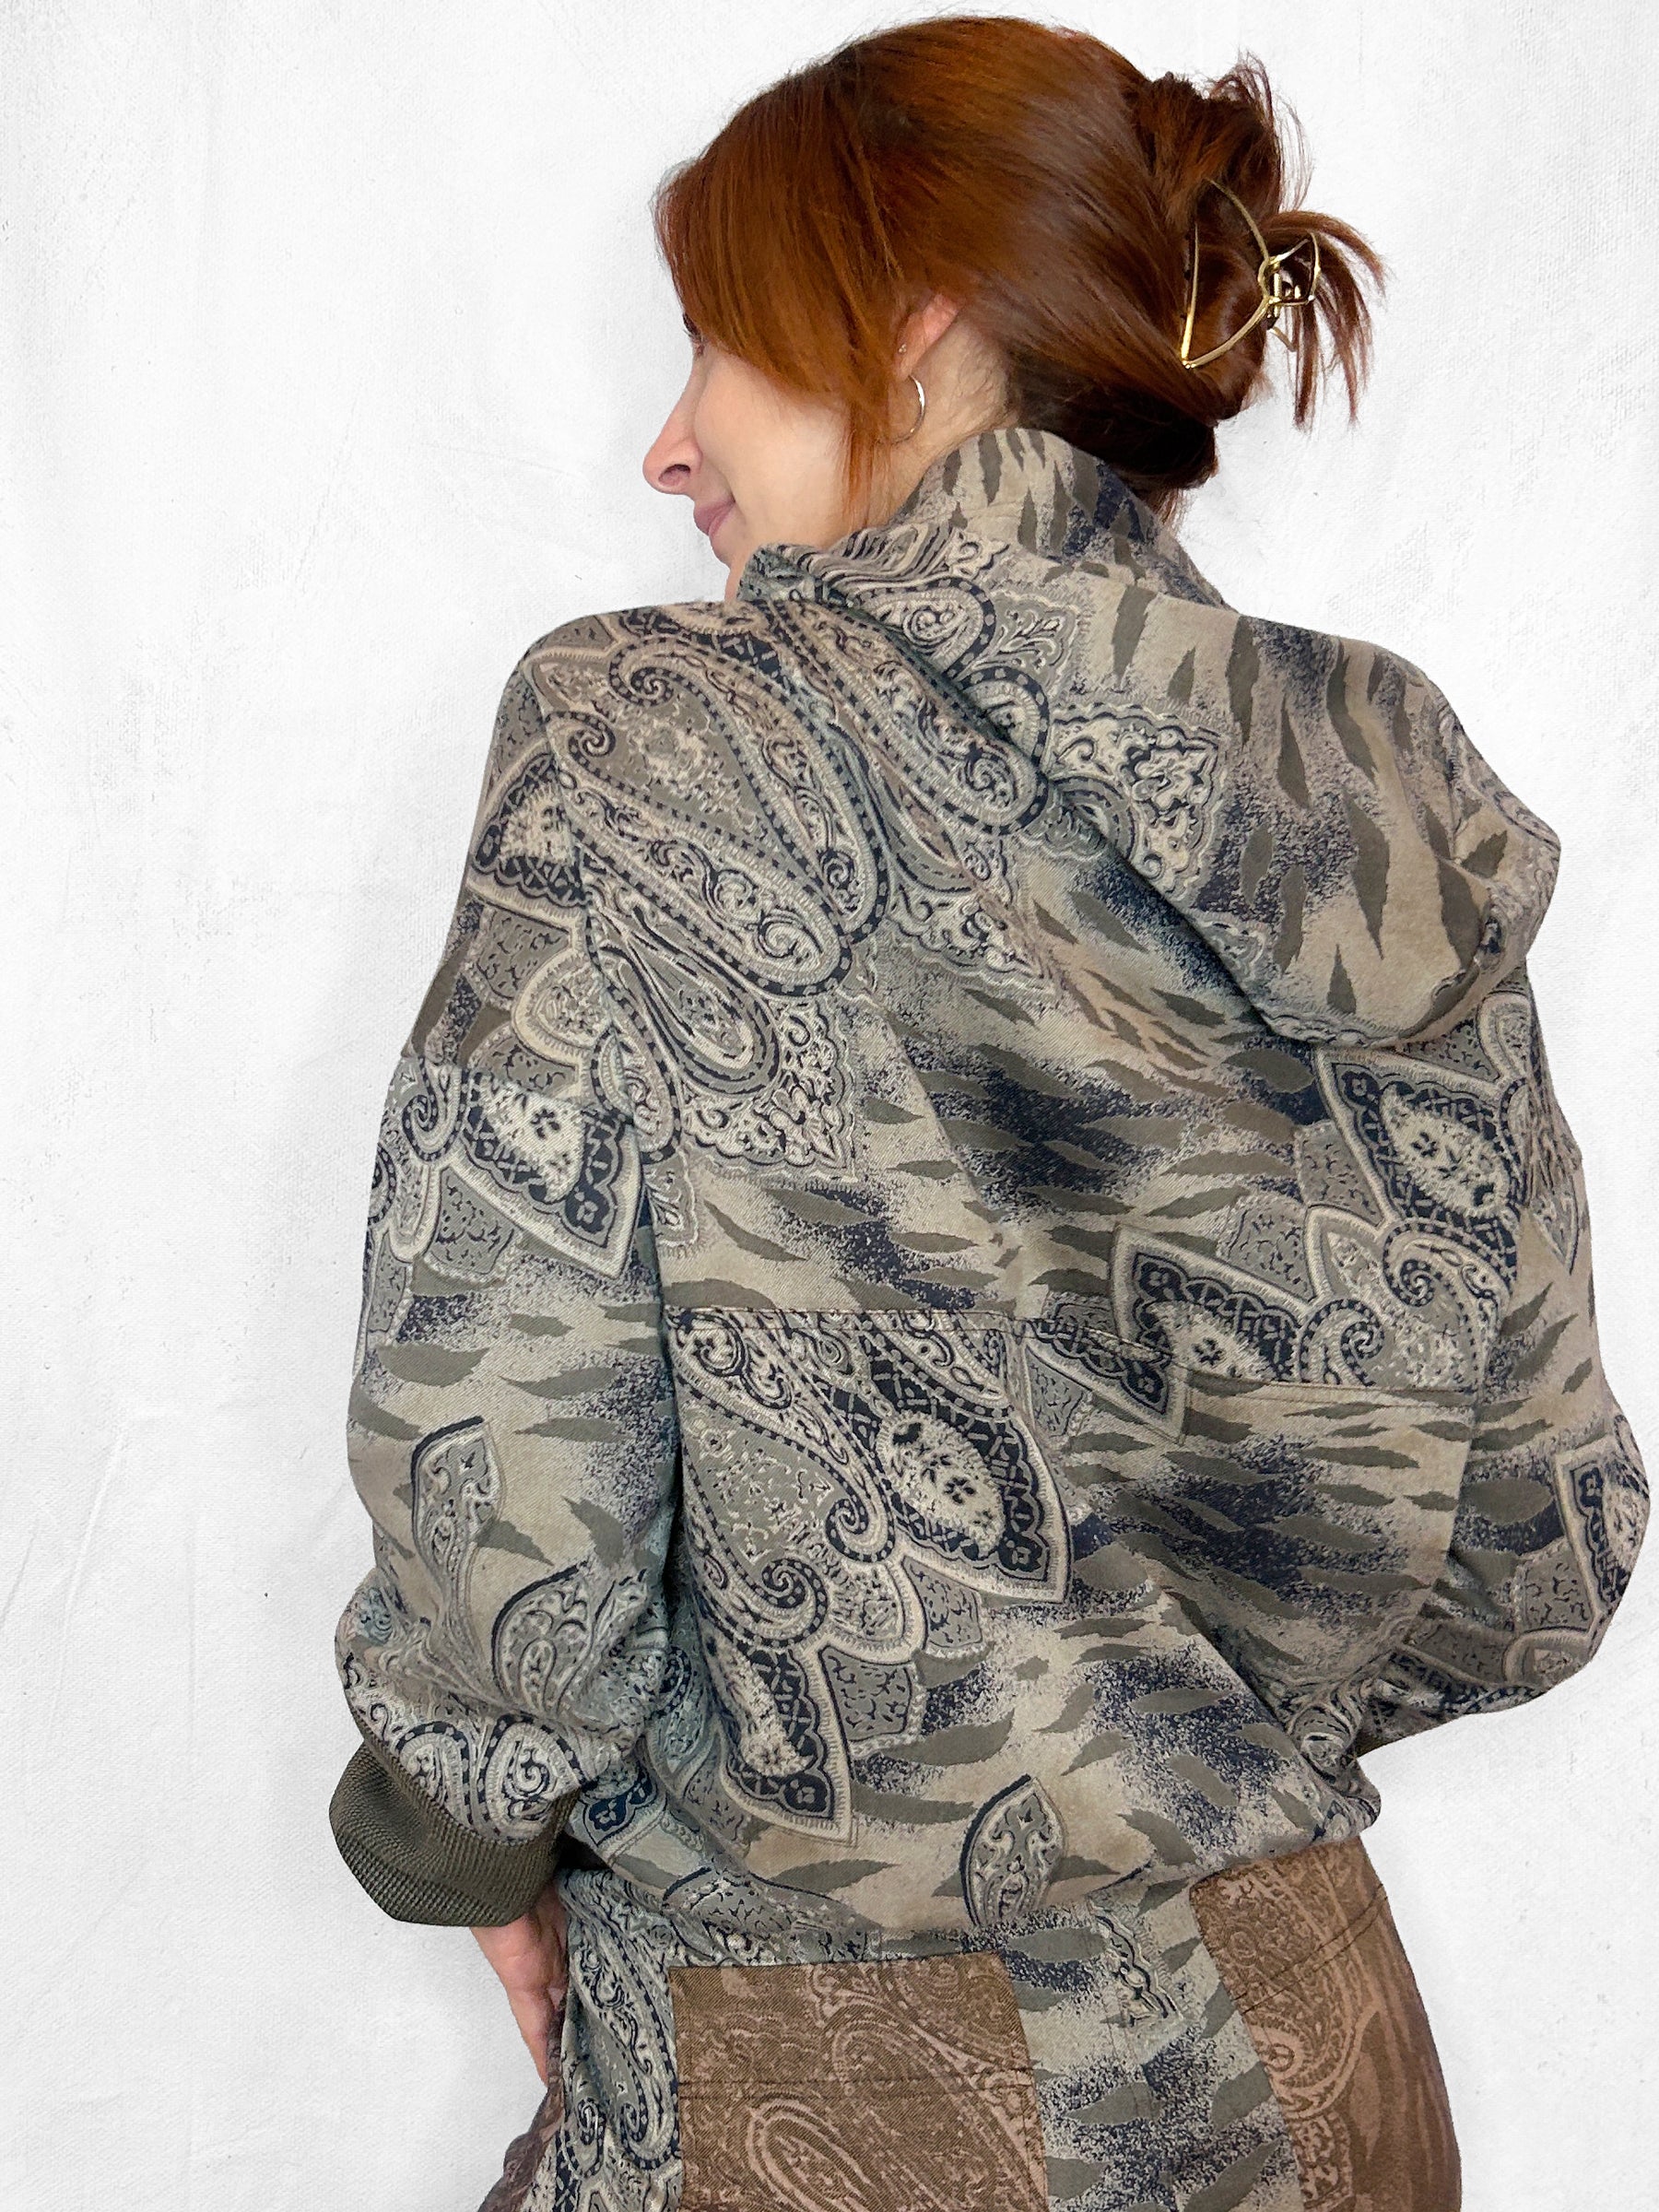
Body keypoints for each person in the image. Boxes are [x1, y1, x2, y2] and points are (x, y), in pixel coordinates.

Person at [324, 18, 1649, 2212]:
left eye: (720, 343)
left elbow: (511, 1439)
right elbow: (1538, 1548)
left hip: (827, 2092)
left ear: (915, 331)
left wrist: (470, 1821)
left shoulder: (644, 732)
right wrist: (1185, 1763)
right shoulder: (1375, 801)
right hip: (1317, 2065)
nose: (670, 442)